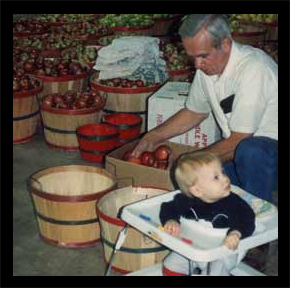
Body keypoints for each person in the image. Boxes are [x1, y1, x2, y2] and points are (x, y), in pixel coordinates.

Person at [132, 14, 278, 202]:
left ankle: (260, 216)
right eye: (192, 57)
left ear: (225, 44)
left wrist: (190, 162)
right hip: (241, 154)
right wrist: (152, 136)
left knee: (250, 151)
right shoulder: (207, 68)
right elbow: (194, 112)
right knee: (200, 189)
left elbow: (239, 140)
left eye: (203, 56)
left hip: (267, 154)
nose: (197, 65)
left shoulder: (254, 70)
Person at [160, 151, 256, 276]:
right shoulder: (185, 200)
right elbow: (168, 208)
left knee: (214, 273)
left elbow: (248, 218)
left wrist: (236, 233)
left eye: (223, 172)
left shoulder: (234, 203)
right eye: (216, 177)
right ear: (197, 190)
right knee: (170, 266)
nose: (225, 179)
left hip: (222, 253)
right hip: (193, 247)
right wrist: (171, 220)